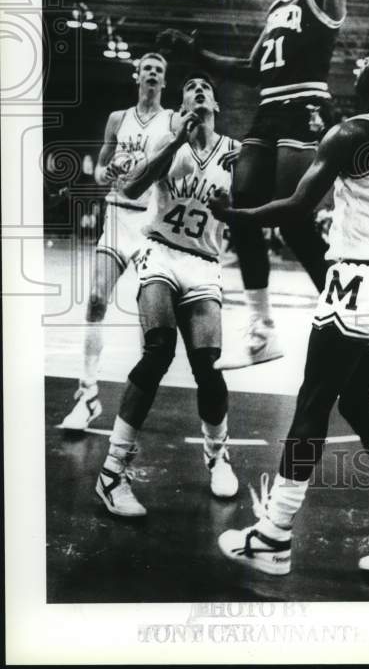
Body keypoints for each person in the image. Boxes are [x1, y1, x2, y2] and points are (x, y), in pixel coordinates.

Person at [208, 39, 369, 575]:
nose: (361, 64)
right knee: (356, 404)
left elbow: (294, 209)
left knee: (312, 405)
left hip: (357, 278)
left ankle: (273, 534)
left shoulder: (351, 133)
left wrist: (238, 215)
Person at [157, 0, 349, 369]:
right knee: (240, 210)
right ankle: (263, 328)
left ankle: (342, 309)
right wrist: (194, 52)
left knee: (291, 217)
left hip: (305, 111)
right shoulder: (278, 5)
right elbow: (248, 68)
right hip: (267, 111)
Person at [95, 73, 240, 516]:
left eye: (204, 88)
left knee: (208, 366)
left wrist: (231, 208)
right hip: (159, 254)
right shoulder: (170, 140)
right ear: (182, 106)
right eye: (189, 89)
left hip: (203, 263)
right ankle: (112, 472)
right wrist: (174, 142)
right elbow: (132, 188)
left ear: (215, 101)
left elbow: (252, 208)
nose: (197, 91)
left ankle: (217, 455)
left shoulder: (234, 151)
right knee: (157, 352)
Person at [61, 53, 175, 431]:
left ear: (164, 80)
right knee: (95, 298)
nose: (153, 75)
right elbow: (98, 176)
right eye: (148, 69)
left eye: (159, 70)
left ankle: (136, 406)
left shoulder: (172, 120)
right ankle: (87, 393)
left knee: (153, 325)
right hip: (116, 215)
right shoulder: (117, 119)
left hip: (149, 225)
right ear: (137, 76)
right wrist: (108, 170)